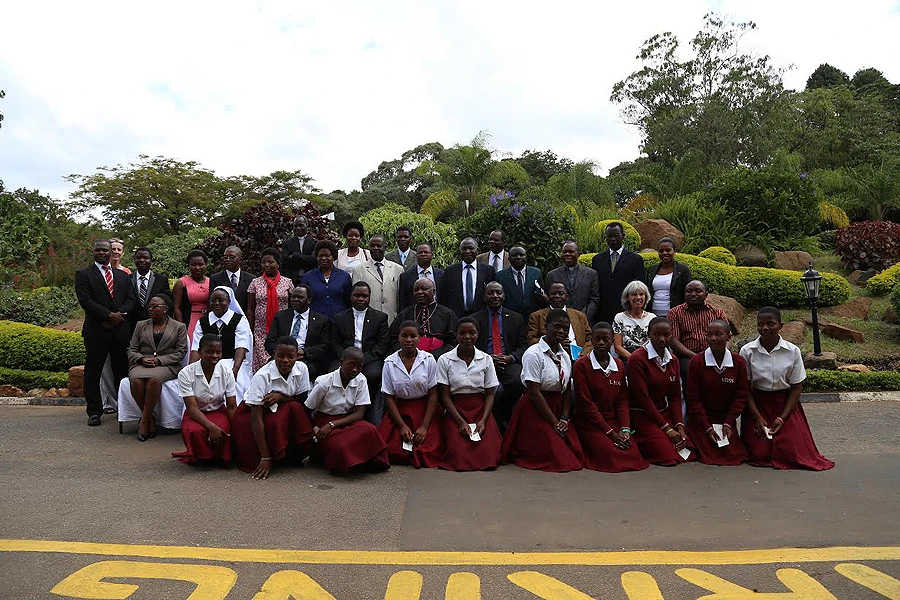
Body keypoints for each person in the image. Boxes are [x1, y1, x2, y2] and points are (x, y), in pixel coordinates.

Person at [740, 307, 834, 471]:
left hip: (785, 404)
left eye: (771, 324)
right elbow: (745, 388)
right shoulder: (747, 351)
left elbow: (796, 387)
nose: (765, 328)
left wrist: (782, 418)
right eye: (760, 324)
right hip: (758, 405)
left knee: (792, 452)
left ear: (780, 326)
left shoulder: (792, 351)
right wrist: (757, 417)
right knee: (759, 453)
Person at [501, 309, 585, 472]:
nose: (561, 331)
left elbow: (567, 388)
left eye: (565, 328)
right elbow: (534, 392)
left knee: (576, 452)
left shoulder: (565, 355)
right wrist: (554, 423)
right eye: (557, 327)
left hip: (557, 406)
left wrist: (564, 418)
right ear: (546, 327)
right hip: (536, 408)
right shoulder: (533, 354)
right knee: (560, 458)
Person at [232, 336, 315, 479]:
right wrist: (265, 457)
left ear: (298, 356)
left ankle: (292, 454)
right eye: (280, 356)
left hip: (280, 407)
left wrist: (281, 397)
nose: (285, 360)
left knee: (296, 408)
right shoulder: (262, 376)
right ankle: (270, 455)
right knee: (275, 424)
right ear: (274, 354)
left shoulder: (302, 368)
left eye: (290, 357)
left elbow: (300, 399)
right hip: (253, 413)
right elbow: (256, 419)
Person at [573, 322, 648, 472]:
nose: (601, 343)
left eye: (605, 339)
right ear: (591, 340)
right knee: (611, 454)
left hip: (613, 420)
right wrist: (610, 433)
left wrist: (625, 429)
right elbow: (586, 404)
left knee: (631, 452)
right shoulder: (581, 365)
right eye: (597, 339)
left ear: (612, 341)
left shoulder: (619, 365)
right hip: (590, 422)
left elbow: (622, 401)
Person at [75, 240, 135, 426]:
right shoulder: (84, 274)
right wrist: (108, 316)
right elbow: (85, 300)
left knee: (122, 371)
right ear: (93, 252)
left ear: (111, 253)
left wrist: (119, 316)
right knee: (93, 372)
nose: (101, 253)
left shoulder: (123, 276)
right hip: (97, 330)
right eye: (98, 250)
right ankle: (94, 411)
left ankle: (124, 409)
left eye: (105, 250)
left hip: (120, 331)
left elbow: (131, 299)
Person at [433, 317, 503, 471]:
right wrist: (460, 422)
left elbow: (490, 394)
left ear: (478, 334)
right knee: (457, 452)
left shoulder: (486, 359)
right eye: (462, 333)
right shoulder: (445, 360)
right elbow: (444, 396)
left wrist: (483, 420)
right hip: (456, 409)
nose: (467, 337)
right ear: (456, 335)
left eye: (472, 333)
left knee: (489, 453)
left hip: (480, 408)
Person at [306, 348, 391, 474]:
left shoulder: (361, 380)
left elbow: (359, 413)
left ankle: (363, 461)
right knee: (340, 445)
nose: (355, 370)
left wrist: (333, 424)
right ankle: (350, 463)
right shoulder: (324, 382)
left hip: (348, 419)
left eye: (359, 367)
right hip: (324, 420)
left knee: (370, 430)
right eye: (351, 364)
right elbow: (308, 409)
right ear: (341, 362)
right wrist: (315, 430)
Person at [626, 317, 694, 466]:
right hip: (642, 414)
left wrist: (679, 426)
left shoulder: (673, 360)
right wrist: (667, 429)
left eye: (666, 335)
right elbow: (643, 399)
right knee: (667, 456)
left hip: (663, 412)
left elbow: (675, 397)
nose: (662, 339)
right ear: (648, 334)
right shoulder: (637, 359)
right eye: (656, 335)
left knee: (688, 447)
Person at [378, 321, 443, 467]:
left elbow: (433, 394)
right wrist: (401, 425)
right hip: (400, 411)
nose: (408, 340)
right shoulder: (389, 362)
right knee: (393, 450)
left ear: (419, 338)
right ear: (398, 338)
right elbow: (389, 397)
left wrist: (424, 426)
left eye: (413, 336)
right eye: (404, 336)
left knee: (429, 451)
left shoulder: (428, 360)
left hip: (424, 410)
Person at [686, 320, 749, 466]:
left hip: (726, 420)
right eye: (709, 335)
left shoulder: (738, 362)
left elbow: (741, 396)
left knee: (734, 455)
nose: (713, 338)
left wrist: (729, 422)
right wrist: (707, 427)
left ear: (728, 337)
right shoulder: (697, 362)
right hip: (702, 420)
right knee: (706, 453)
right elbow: (693, 398)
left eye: (718, 334)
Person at [127, 294, 188, 441]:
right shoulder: (141, 325)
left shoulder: (179, 327)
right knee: (136, 381)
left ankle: (144, 421)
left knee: (153, 381)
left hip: (167, 365)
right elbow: (132, 349)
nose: (150, 309)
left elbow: (180, 352)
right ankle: (150, 419)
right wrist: (141, 359)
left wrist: (159, 360)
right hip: (142, 364)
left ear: (165, 309)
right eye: (149, 306)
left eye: (155, 306)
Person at [331, 282, 391, 425]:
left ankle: (366, 413)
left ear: (369, 298)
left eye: (364, 296)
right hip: (344, 359)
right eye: (357, 295)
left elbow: (382, 344)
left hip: (369, 358)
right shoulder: (340, 317)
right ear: (350, 297)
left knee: (373, 375)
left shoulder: (380, 317)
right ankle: (339, 411)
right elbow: (334, 343)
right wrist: (345, 358)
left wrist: (363, 359)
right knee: (333, 373)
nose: (360, 299)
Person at [172, 334, 237, 465]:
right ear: (200, 352)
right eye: (210, 352)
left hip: (218, 411)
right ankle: (201, 457)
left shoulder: (227, 372)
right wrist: (211, 426)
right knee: (194, 431)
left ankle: (220, 457)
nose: (215, 356)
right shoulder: (185, 373)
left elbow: (231, 406)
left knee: (223, 430)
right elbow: (192, 407)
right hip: (195, 413)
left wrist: (236, 429)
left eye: (218, 352)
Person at [471, 282, 527, 430]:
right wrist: (488, 358)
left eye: (498, 292)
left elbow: (524, 346)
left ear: (504, 296)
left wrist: (510, 358)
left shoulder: (516, 318)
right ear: (484, 297)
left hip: (509, 360)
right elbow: (470, 345)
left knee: (517, 381)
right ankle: (493, 421)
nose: (495, 296)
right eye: (490, 293)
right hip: (484, 362)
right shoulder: (475, 319)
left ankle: (506, 418)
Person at [190, 286, 253, 397]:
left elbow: (241, 347)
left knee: (236, 386)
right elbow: (196, 348)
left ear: (229, 302)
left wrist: (234, 371)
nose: (216, 303)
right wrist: (192, 369)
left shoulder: (239, 320)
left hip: (232, 362)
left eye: (221, 300)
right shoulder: (203, 321)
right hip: (206, 363)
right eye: (213, 300)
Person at [667, 280, 728, 392]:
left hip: (715, 353)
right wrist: (695, 356)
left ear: (706, 294)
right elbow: (673, 340)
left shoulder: (717, 312)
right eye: (689, 291)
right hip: (687, 355)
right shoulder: (674, 313)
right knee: (689, 370)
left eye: (698, 291)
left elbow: (728, 336)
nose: (693, 294)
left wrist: (724, 353)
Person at [265, 285, 332, 380]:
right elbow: (269, 342)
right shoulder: (281, 317)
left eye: (300, 297)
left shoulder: (321, 320)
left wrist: (304, 352)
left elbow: (324, 347)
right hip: (281, 358)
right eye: (293, 297)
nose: (295, 299)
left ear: (309, 300)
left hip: (306, 360)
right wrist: (284, 353)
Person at [246, 248, 294, 372]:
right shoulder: (255, 283)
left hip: (282, 328)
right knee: (263, 365)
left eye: (270, 262)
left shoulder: (287, 282)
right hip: (261, 330)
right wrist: (250, 329)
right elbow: (250, 308)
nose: (266, 265)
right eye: (263, 262)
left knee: (281, 359)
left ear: (278, 264)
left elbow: (292, 306)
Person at [592, 223, 646, 325]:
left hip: (626, 310)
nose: (613, 239)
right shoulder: (597, 260)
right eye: (609, 236)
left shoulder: (635, 259)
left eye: (616, 235)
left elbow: (639, 286)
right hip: (603, 312)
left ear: (623, 236)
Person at [390, 278, 457, 358]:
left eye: (424, 289)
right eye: (416, 290)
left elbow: (453, 342)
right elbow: (393, 340)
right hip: (410, 357)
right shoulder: (405, 314)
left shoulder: (447, 314)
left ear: (434, 292)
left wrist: (435, 355)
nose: (419, 292)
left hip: (440, 358)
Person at [527, 282, 592, 357]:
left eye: (561, 294)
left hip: (579, 357)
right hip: (550, 356)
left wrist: (582, 355)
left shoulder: (580, 316)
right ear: (548, 296)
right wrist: (555, 344)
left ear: (567, 297)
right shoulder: (536, 316)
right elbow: (531, 340)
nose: (557, 296)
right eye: (553, 294)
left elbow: (590, 340)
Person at [351, 235, 403, 322]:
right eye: (372, 246)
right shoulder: (359, 270)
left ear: (385, 246)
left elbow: (400, 298)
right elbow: (356, 298)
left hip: (392, 319)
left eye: (379, 246)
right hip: (369, 320)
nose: (375, 248)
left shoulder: (398, 269)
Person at [441, 237, 496, 318]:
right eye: (464, 249)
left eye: (471, 248)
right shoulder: (450, 271)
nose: (467, 251)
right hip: (456, 316)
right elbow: (444, 296)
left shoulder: (488, 270)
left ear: (477, 250)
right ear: (460, 251)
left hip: (481, 316)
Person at [546, 240, 599, 323]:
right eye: (564, 252)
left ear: (578, 254)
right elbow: (549, 299)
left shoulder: (591, 274)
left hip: (584, 321)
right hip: (559, 321)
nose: (567, 254)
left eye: (571, 252)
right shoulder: (552, 275)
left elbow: (594, 299)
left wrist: (582, 316)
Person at [301, 240, 353, 319]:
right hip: (315, 321)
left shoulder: (344, 277)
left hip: (339, 321)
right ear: (316, 257)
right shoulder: (308, 277)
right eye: (320, 255)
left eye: (327, 255)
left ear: (333, 257)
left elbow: (349, 301)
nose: (323, 258)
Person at [495, 245, 546, 319]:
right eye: (514, 255)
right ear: (509, 258)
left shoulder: (536, 273)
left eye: (521, 255)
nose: (518, 257)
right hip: (509, 318)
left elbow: (541, 295)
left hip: (532, 318)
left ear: (526, 257)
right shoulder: (500, 276)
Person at [646, 237, 692, 317]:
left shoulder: (682, 270)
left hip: (675, 315)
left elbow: (688, 292)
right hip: (653, 315)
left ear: (674, 251)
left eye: (668, 250)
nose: (664, 253)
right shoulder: (652, 269)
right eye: (661, 251)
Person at [173, 250, 210, 346]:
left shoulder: (211, 281)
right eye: (193, 265)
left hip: (208, 321)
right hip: (190, 321)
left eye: (200, 264)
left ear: (206, 265)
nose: (197, 268)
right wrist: (182, 328)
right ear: (189, 266)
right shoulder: (181, 283)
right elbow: (177, 307)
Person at [612, 280, 654, 361]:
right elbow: (617, 347)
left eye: (641, 294)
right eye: (634, 294)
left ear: (646, 297)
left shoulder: (652, 318)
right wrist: (634, 359)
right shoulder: (619, 318)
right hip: (627, 359)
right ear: (627, 297)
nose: (638, 297)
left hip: (648, 359)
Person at [129, 246, 170, 328]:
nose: (142, 260)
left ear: (151, 260)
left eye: (146, 258)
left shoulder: (161, 280)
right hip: (132, 324)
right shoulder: (127, 279)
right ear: (134, 260)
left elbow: (167, 301)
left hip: (155, 324)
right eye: (138, 258)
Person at [209, 245, 255, 315]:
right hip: (223, 318)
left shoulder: (251, 279)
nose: (228, 260)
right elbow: (212, 302)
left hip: (244, 318)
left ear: (240, 260)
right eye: (225, 257)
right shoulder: (215, 278)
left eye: (232, 257)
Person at [399, 242, 444, 312]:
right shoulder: (405, 276)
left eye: (426, 252)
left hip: (437, 313)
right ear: (416, 256)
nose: (423, 254)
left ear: (431, 255)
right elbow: (403, 301)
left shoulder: (441, 275)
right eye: (420, 253)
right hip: (415, 314)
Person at [282, 215, 318, 284]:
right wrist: (306, 259)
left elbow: (314, 260)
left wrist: (295, 256)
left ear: (307, 226)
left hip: (311, 279)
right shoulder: (287, 243)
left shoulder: (314, 243)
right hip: (292, 280)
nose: (298, 228)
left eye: (301, 225)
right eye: (295, 226)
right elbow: (285, 261)